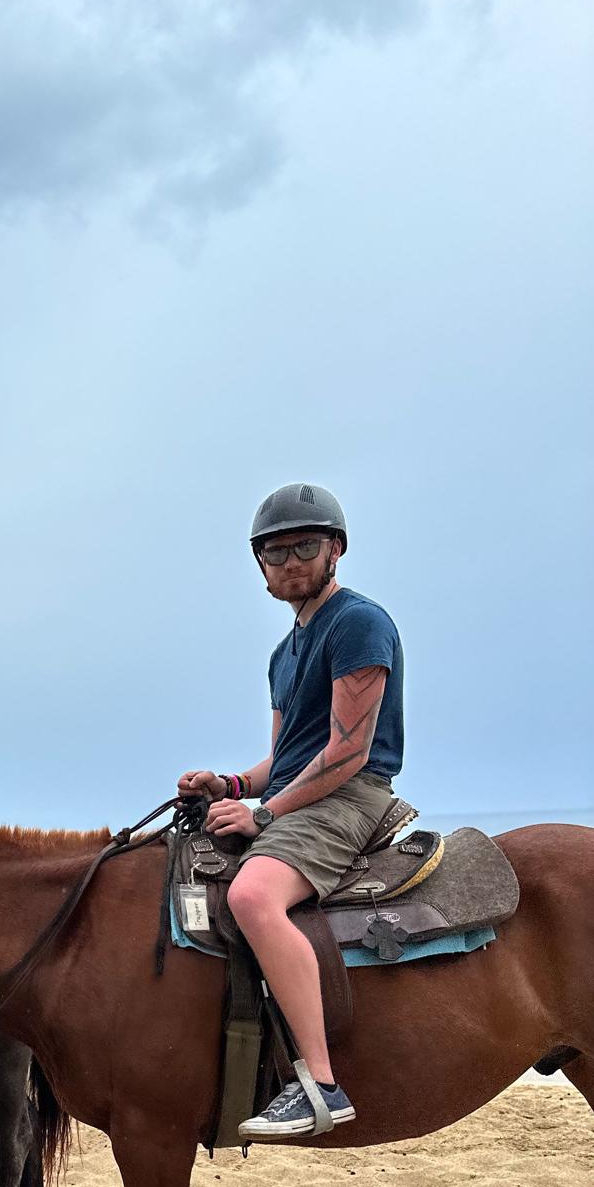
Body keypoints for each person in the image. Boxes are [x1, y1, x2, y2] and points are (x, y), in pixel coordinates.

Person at [177, 483, 404, 1139]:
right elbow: (285, 757)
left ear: (336, 548)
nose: (289, 563)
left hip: (350, 795)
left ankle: (320, 1085)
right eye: (273, 554)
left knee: (252, 897)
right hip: (306, 789)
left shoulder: (358, 623)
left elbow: (348, 752)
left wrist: (265, 818)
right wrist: (228, 786)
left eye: (305, 546)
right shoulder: (283, 654)